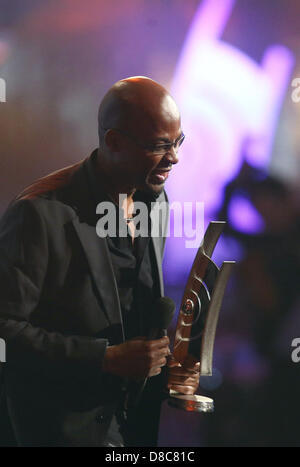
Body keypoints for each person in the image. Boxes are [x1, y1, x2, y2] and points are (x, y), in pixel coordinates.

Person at [0, 76, 200, 447]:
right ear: (113, 141)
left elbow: (135, 312)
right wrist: (102, 359)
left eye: (177, 142)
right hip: (58, 432)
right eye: (159, 146)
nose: (174, 157)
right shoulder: (40, 213)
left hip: (133, 429)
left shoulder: (155, 201)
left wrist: (170, 363)